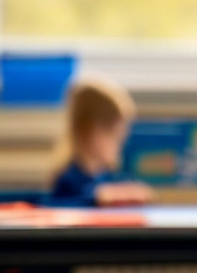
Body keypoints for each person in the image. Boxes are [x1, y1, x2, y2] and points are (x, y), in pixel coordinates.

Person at [48, 78, 152, 207]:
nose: (119, 147)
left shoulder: (105, 176)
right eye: (115, 137)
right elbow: (57, 207)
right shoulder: (70, 177)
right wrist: (95, 199)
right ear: (92, 132)